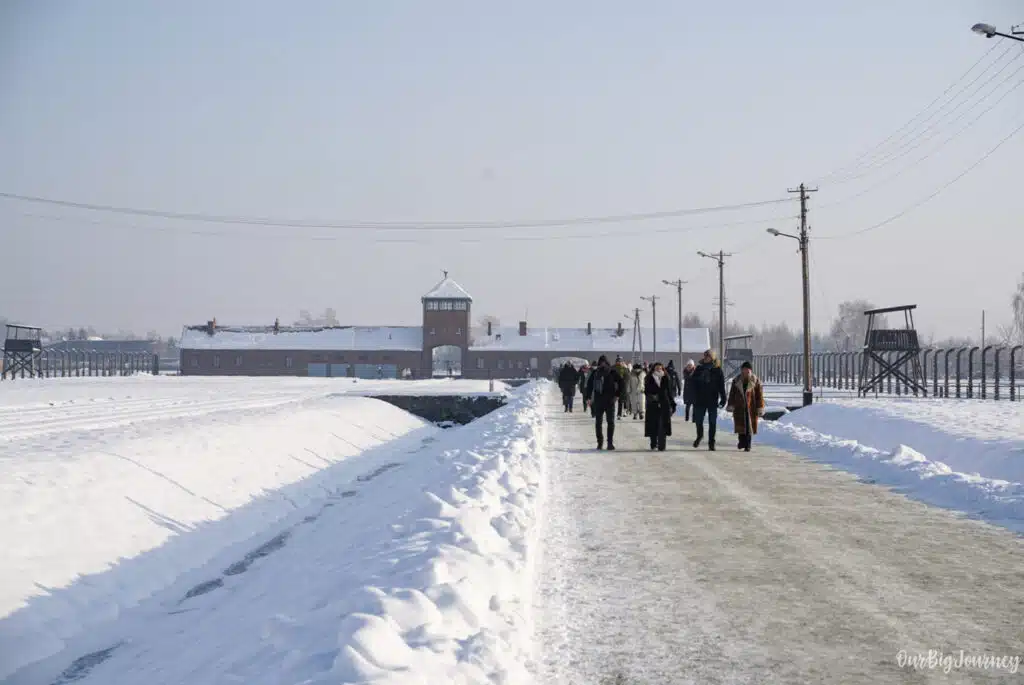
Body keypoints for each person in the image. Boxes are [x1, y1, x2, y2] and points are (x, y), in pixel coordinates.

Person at [691, 348, 727, 451]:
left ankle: (711, 442)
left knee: (712, 422)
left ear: (712, 358)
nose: (706, 358)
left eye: (708, 356)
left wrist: (723, 398)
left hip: (712, 400)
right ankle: (700, 435)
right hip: (700, 400)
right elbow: (693, 384)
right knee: (698, 421)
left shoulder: (718, 370)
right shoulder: (699, 369)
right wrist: (693, 396)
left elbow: (721, 386)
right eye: (705, 356)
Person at [585, 355, 623, 450]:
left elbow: (622, 383)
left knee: (610, 422)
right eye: (601, 362)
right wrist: (588, 397)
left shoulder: (612, 372)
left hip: (610, 401)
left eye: (604, 362)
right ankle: (600, 442)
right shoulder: (595, 373)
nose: (602, 364)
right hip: (598, 401)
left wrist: (617, 395)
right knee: (598, 422)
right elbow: (589, 386)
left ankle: (610, 443)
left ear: (607, 363)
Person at [727, 361, 765, 451]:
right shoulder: (736, 381)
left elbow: (759, 395)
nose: (745, 373)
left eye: (747, 371)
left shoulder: (755, 381)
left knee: (749, 427)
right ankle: (741, 442)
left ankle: (748, 445)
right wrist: (731, 404)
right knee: (741, 427)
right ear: (741, 371)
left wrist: (760, 407)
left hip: (751, 408)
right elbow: (732, 394)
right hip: (739, 407)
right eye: (743, 371)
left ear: (750, 371)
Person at [644, 362, 676, 450]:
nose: (658, 369)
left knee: (663, 425)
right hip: (652, 404)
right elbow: (646, 391)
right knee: (653, 424)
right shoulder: (649, 378)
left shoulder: (666, 378)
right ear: (654, 369)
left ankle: (662, 445)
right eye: (657, 367)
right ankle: (653, 442)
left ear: (662, 368)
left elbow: (669, 392)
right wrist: (651, 396)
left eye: (660, 368)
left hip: (664, 404)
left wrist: (672, 404)